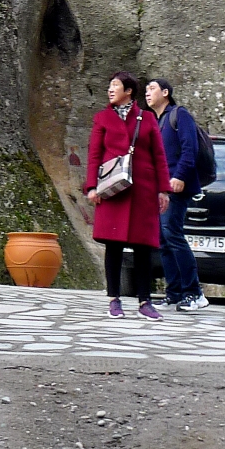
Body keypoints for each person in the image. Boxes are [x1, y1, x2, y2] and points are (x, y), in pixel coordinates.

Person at [85, 71, 171, 320]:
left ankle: (145, 301)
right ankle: (114, 299)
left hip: (143, 189)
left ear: (129, 91)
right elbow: (94, 154)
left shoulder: (146, 119)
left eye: (115, 86)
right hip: (113, 189)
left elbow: (159, 156)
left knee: (144, 247)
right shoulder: (101, 118)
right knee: (114, 246)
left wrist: (162, 190)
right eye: (110, 86)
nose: (110, 90)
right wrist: (92, 187)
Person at [145, 77, 208, 313]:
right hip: (162, 188)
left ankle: (195, 293)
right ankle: (174, 293)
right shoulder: (158, 121)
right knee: (164, 239)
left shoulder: (179, 114)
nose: (148, 93)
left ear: (166, 92)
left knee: (173, 234)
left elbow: (189, 149)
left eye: (152, 89)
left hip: (177, 187)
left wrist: (180, 176)